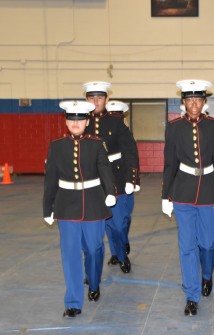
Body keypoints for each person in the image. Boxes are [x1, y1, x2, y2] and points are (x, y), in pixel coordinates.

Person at [162, 79, 214, 316]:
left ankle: (207, 273)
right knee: (187, 246)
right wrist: (166, 195)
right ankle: (191, 295)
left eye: (198, 99)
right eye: (189, 99)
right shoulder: (174, 127)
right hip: (182, 191)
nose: (194, 104)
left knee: (208, 243)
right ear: (183, 101)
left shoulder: (213, 126)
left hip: (209, 191)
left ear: (204, 101)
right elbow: (170, 163)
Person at [43, 100, 117, 318]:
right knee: (70, 254)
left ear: (86, 121)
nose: (75, 123)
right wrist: (48, 208)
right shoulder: (57, 146)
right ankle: (73, 301)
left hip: (94, 203)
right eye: (71, 119)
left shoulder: (96, 144)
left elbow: (105, 169)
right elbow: (50, 179)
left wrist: (110, 192)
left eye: (80, 119)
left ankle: (93, 283)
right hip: (66, 206)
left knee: (94, 249)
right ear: (66, 121)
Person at [83, 82, 140, 274]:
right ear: (86, 100)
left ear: (106, 99)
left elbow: (130, 151)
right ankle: (113, 256)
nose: (96, 101)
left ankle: (122, 253)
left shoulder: (115, 121)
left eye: (100, 97)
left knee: (119, 223)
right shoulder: (81, 122)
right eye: (92, 98)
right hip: (93, 181)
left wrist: (132, 179)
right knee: (104, 224)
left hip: (117, 178)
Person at [105, 99, 140, 261]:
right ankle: (116, 253)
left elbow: (132, 156)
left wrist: (133, 181)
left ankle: (123, 241)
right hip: (106, 178)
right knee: (111, 221)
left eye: (118, 116)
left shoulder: (125, 132)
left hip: (123, 178)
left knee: (124, 218)